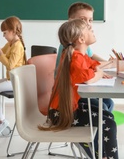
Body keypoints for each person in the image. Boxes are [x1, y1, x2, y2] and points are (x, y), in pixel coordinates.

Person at [40, 19, 119, 159]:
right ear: (81, 39)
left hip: (66, 109)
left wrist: (109, 65)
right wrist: (99, 74)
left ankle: (102, 155)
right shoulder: (76, 58)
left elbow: (94, 65)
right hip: (62, 113)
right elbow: (88, 79)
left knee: (108, 116)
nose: (92, 29)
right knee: (109, 124)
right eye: (89, 29)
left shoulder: (79, 56)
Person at [55, 2, 115, 112]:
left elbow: (91, 59)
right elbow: (86, 76)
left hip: (80, 88)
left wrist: (108, 63)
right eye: (83, 20)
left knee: (108, 102)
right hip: (70, 95)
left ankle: (97, 127)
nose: (88, 24)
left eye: (90, 20)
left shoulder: (80, 46)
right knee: (103, 108)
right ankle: (96, 126)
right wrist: (100, 72)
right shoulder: (70, 49)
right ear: (70, 22)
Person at [0, 16, 27, 138]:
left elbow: (10, 66)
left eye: (5, 33)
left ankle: (1, 121)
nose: (3, 35)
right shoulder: (11, 43)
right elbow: (1, 52)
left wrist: (0, 53)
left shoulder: (17, 46)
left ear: (13, 31)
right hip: (11, 79)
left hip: (16, 81)